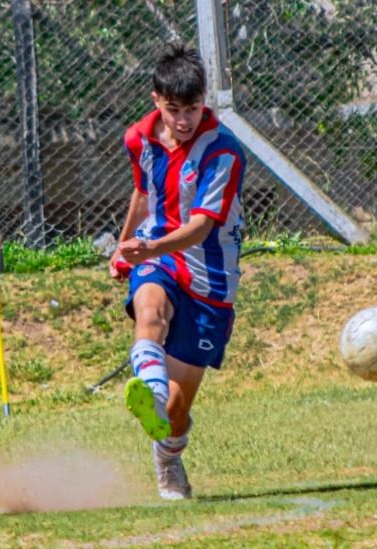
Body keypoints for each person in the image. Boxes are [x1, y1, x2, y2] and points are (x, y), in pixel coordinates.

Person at [109, 42, 246, 500]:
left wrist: (147, 246)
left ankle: (167, 454)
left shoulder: (222, 152)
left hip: (209, 274)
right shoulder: (138, 138)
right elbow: (144, 194)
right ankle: (147, 386)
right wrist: (123, 247)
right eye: (173, 110)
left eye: (192, 108)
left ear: (204, 99)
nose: (183, 120)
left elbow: (201, 227)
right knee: (150, 316)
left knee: (175, 412)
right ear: (156, 102)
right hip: (160, 257)